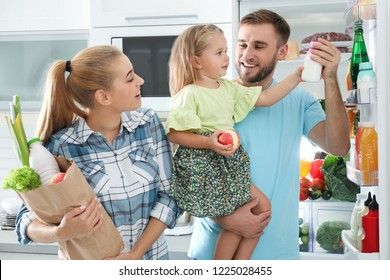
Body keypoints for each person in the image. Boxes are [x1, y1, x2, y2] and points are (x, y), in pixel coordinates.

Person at [188, 10, 350, 260]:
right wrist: (226, 217)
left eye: (259, 46)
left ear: (281, 52)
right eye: (242, 44)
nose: (246, 55)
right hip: (210, 253)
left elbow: (338, 146)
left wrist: (330, 77)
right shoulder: (209, 98)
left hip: (279, 255)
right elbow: (190, 175)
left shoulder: (299, 100)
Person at [15, 45, 180, 260]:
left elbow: (171, 196)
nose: (140, 80)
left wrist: (135, 255)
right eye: (130, 79)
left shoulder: (148, 123)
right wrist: (62, 232)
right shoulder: (61, 146)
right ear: (103, 97)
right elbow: (25, 220)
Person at [165, 24, 301, 259]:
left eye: (226, 50)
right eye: (219, 53)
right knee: (239, 217)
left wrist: (296, 77)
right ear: (196, 61)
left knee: (261, 208)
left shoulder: (228, 88)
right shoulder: (189, 94)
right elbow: (175, 134)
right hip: (207, 163)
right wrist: (209, 142)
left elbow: (267, 98)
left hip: (228, 160)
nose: (228, 57)